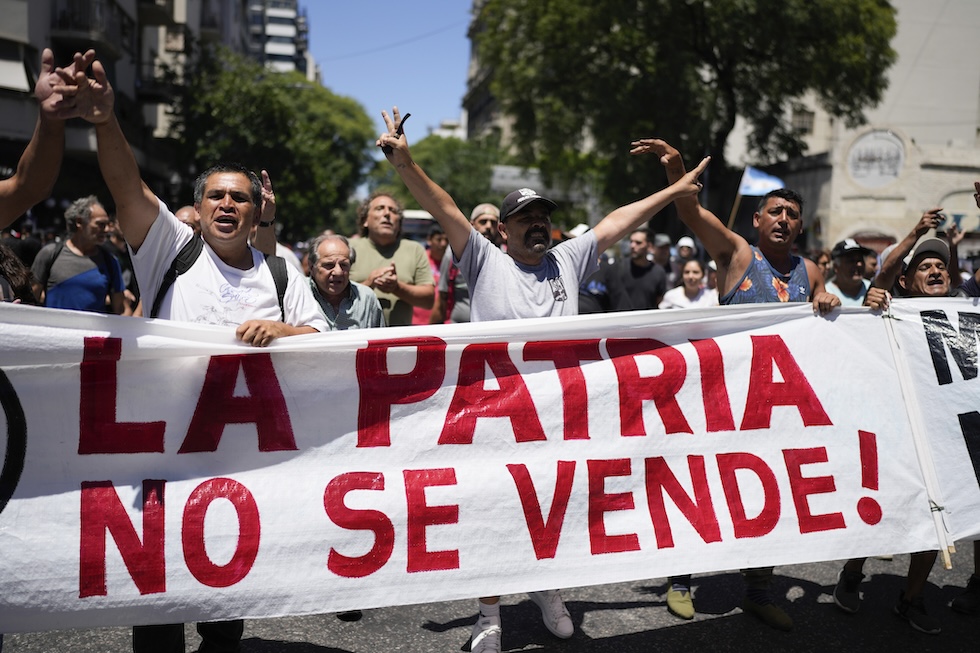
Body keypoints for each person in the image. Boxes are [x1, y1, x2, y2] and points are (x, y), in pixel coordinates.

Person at [379, 106, 709, 653]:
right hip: (493, 419)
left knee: (552, 510)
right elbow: (444, 207)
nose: (538, 223)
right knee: (490, 513)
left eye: (543, 216)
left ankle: (546, 587)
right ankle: (489, 614)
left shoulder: (568, 260)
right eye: (526, 216)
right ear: (503, 230)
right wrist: (407, 165)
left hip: (558, 420)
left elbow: (618, 220)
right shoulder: (482, 259)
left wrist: (672, 193)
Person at [65, 49, 327, 651]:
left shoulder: (283, 277)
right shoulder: (168, 250)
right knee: (157, 614)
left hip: (234, 472)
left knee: (221, 618)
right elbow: (125, 184)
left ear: (258, 209)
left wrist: (282, 331)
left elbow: (330, 345)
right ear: (200, 207)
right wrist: (106, 120)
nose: (228, 206)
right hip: (158, 462)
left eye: (240, 197)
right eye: (216, 197)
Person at [631, 137, 849, 632]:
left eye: (793, 214)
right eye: (775, 212)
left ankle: (758, 592)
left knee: (772, 500)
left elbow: (828, 316)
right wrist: (677, 171)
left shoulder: (810, 271)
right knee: (706, 492)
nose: (784, 220)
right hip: (721, 402)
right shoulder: (735, 252)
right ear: (757, 219)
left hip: (779, 409)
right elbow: (690, 212)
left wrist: (830, 302)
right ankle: (681, 580)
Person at [832, 232, 948, 634]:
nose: (936, 271)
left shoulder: (965, 310)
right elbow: (876, 289)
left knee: (939, 522)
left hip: (943, 437)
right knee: (881, 512)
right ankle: (852, 572)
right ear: (905, 279)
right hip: (897, 432)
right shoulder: (889, 309)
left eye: (941, 266)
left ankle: (910, 600)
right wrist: (874, 299)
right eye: (925, 267)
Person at [348, 191, 435, 326]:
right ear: (365, 220)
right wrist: (367, 285)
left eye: (393, 211)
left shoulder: (415, 250)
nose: (387, 214)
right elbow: (330, 297)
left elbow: (428, 301)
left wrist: (397, 288)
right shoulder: (347, 248)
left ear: (399, 224)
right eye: (379, 208)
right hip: (356, 340)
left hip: (399, 343)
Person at [30, 195, 126, 314]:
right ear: (79, 222)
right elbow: (30, 301)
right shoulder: (50, 254)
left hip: (91, 333)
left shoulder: (110, 262)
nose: (106, 230)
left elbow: (120, 311)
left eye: (107, 224)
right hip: (54, 332)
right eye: (100, 224)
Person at [430, 203, 500, 324]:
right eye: (483, 222)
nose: (488, 226)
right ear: (472, 224)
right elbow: (442, 299)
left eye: (493, 223)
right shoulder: (453, 254)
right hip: (458, 331)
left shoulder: (507, 256)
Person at [308, 233, 385, 330]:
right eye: (329, 265)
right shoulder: (298, 293)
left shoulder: (367, 298)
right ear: (311, 267)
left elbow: (378, 341)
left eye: (344, 265)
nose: (338, 272)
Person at [603, 227, 667, 311]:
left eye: (638, 243)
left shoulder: (659, 272)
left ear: (650, 246)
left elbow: (660, 302)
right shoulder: (617, 268)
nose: (632, 246)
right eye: (631, 242)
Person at [412, 224, 448, 324]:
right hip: (416, 323)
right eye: (439, 239)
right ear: (429, 240)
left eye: (446, 240)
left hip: (441, 323)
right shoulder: (420, 259)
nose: (443, 244)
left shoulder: (452, 264)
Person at [825, 238, 874, 307]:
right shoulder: (826, 293)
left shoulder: (872, 290)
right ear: (836, 267)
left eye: (860, 260)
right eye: (851, 261)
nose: (859, 264)